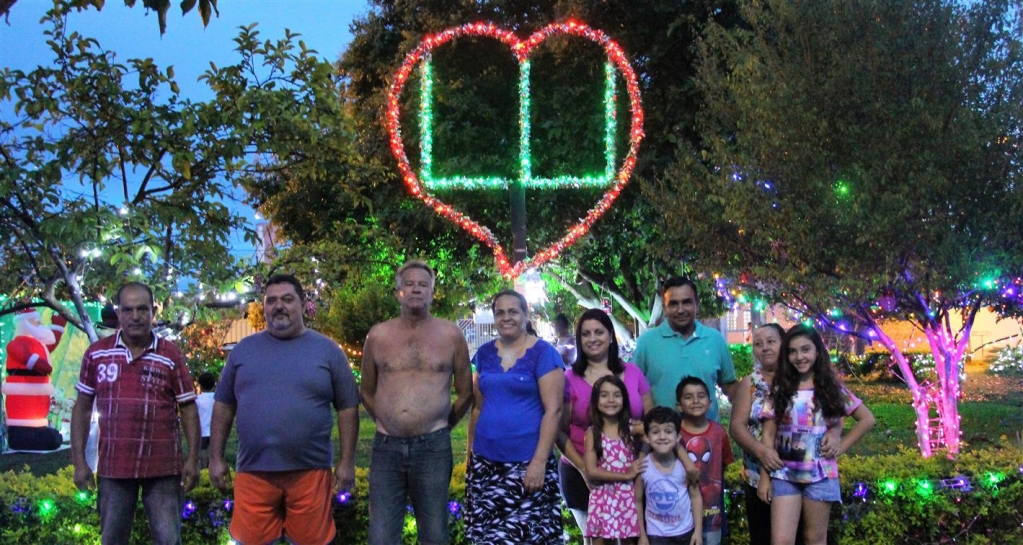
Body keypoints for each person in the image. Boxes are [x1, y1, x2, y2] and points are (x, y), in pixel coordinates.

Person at [209, 274, 360, 545]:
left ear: (302, 304)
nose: (279, 306)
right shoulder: (243, 350)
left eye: (287, 300)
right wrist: (216, 457)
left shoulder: (328, 351)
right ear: (264, 306)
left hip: (310, 472)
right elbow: (223, 405)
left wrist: (347, 462)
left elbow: (348, 407)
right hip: (253, 471)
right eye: (272, 301)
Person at [70, 282, 200, 545]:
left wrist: (193, 459)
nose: (136, 316)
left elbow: (188, 408)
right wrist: (79, 462)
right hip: (113, 468)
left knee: (168, 540)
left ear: (154, 311)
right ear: (118, 314)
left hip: (164, 468)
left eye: (142, 309)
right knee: (113, 540)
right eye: (128, 310)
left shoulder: (171, 354)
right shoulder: (97, 354)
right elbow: (82, 408)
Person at [360, 260, 473, 545]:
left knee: (434, 533)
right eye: (409, 284)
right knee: (382, 535)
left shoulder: (451, 335)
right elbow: (367, 390)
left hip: (433, 447)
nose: (416, 290)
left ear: (433, 293)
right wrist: (387, 420)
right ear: (398, 292)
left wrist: (443, 425)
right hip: (386, 448)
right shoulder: (378, 335)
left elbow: (465, 392)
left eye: (423, 285)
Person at [759, 324, 875, 545]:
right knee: (781, 540)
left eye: (805, 349)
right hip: (784, 475)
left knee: (814, 538)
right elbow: (768, 434)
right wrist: (765, 478)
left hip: (821, 475)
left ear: (817, 352)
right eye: (792, 351)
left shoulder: (831, 387)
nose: (799, 356)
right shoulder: (779, 388)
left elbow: (866, 419)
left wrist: (840, 444)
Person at [465, 289, 565, 542]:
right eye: (500, 312)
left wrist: (539, 462)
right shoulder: (485, 354)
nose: (506, 318)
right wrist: (470, 452)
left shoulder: (544, 353)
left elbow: (554, 410)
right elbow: (478, 407)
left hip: (527, 465)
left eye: (513, 311)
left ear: (525, 314)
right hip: (487, 465)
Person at [558, 307, 656, 539]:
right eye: (586, 333)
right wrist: (585, 470)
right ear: (579, 339)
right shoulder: (569, 379)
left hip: (631, 471)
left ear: (611, 336)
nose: (593, 339)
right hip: (582, 475)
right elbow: (559, 433)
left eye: (599, 332)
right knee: (595, 539)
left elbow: (650, 420)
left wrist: (641, 458)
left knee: (634, 537)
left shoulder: (632, 372)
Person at [634, 277, 737, 421]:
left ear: (697, 305)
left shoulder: (715, 339)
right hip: (661, 438)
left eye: (687, 302)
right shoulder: (646, 342)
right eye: (673, 304)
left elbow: (731, 388)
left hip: (707, 439)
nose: (680, 310)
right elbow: (633, 388)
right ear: (664, 308)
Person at [583, 375, 644, 544]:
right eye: (604, 395)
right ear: (596, 400)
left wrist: (643, 453)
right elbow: (592, 471)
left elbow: (656, 430)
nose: (611, 400)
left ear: (624, 399)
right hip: (602, 496)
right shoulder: (593, 433)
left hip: (628, 495)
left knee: (629, 540)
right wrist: (626, 475)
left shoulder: (631, 428)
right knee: (600, 540)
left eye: (617, 395)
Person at [678, 376, 733, 545]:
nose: (695, 401)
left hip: (712, 513)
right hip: (680, 516)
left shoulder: (719, 432)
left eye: (701, 396)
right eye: (688, 397)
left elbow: (724, 465)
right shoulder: (673, 433)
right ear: (679, 405)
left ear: (710, 402)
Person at [636, 407, 702, 545]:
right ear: (647, 437)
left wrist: (698, 532)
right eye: (655, 432)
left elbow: (696, 497)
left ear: (678, 436)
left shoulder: (686, 466)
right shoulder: (642, 467)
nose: (662, 437)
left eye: (668, 431)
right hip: (655, 535)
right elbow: (638, 501)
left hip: (685, 532)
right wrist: (642, 535)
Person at [195, 372, 217, 470]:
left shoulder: (197, 399)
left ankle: (204, 470)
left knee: (202, 451)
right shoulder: (217, 398)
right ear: (214, 384)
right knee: (215, 452)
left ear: (200, 385)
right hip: (215, 430)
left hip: (202, 430)